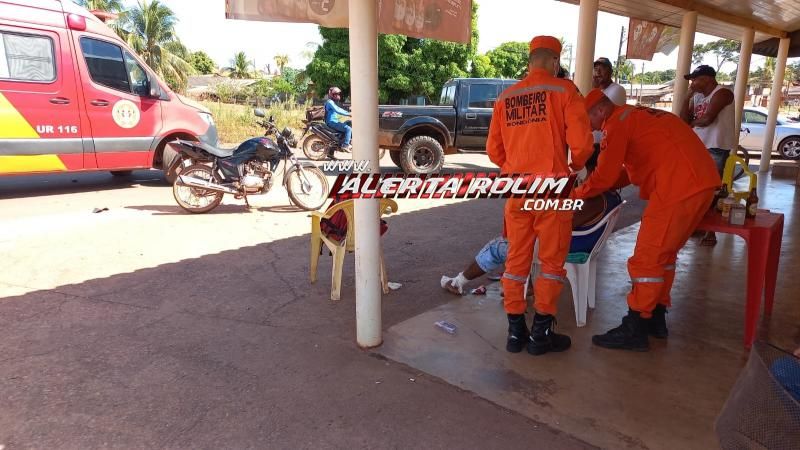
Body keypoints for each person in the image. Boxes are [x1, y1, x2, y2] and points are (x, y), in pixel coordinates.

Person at [576, 89, 720, 351]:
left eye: (588, 120)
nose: (590, 127)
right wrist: (602, 185)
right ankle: (655, 317)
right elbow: (628, 171)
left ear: (599, 110)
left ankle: (635, 326)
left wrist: (578, 192)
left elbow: (606, 176)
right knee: (664, 258)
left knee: (647, 258)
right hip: (701, 183)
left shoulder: (615, 125)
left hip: (678, 186)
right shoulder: (636, 116)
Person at [486, 35, 594, 356]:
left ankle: (515, 333)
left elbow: (494, 150)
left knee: (516, 261)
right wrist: (573, 166)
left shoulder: (507, 96)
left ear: (531, 61)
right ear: (555, 62)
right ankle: (540, 336)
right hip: (553, 190)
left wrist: (516, 168)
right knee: (550, 264)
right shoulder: (565, 91)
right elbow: (583, 145)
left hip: (518, 190)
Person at [441, 190, 622, 295]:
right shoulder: (610, 195)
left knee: (497, 247)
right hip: (582, 244)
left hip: (564, 247)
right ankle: (528, 284)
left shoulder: (594, 199)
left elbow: (559, 223)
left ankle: (458, 282)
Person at [679, 65, 736, 246]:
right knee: (697, 188)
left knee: (714, 190)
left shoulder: (723, 93)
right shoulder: (696, 97)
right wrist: (687, 97)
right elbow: (682, 120)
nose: (692, 83)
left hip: (716, 148)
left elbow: (707, 119)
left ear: (709, 79)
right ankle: (699, 226)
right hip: (699, 147)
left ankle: (711, 232)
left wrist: (692, 124)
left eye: (696, 79)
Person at [324, 87, 353, 154]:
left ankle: (331, 153)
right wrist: (348, 114)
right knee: (348, 129)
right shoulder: (330, 102)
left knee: (348, 123)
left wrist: (349, 112)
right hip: (331, 122)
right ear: (332, 95)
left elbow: (339, 109)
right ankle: (345, 145)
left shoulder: (332, 102)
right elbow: (337, 110)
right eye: (336, 94)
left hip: (334, 121)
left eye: (338, 94)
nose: (338, 96)